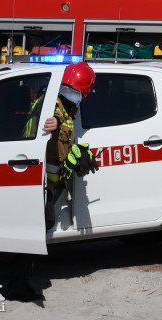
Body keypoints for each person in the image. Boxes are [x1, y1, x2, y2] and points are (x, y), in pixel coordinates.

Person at [9, 61, 98, 301]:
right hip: (37, 181)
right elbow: (51, 120)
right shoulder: (54, 107)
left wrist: (78, 159)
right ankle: (17, 283)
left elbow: (63, 145)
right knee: (35, 229)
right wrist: (53, 123)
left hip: (51, 183)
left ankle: (23, 277)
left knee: (40, 226)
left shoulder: (69, 107)